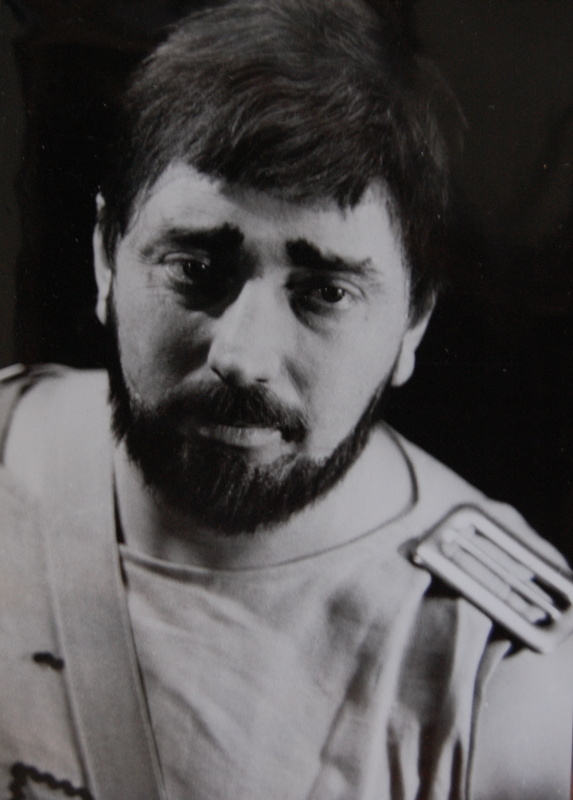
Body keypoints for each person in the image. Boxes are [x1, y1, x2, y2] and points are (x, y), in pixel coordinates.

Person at [1, 1, 572, 798]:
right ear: (106, 257)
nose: (242, 358)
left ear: (412, 320)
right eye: (195, 269)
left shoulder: (501, 676)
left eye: (325, 292)